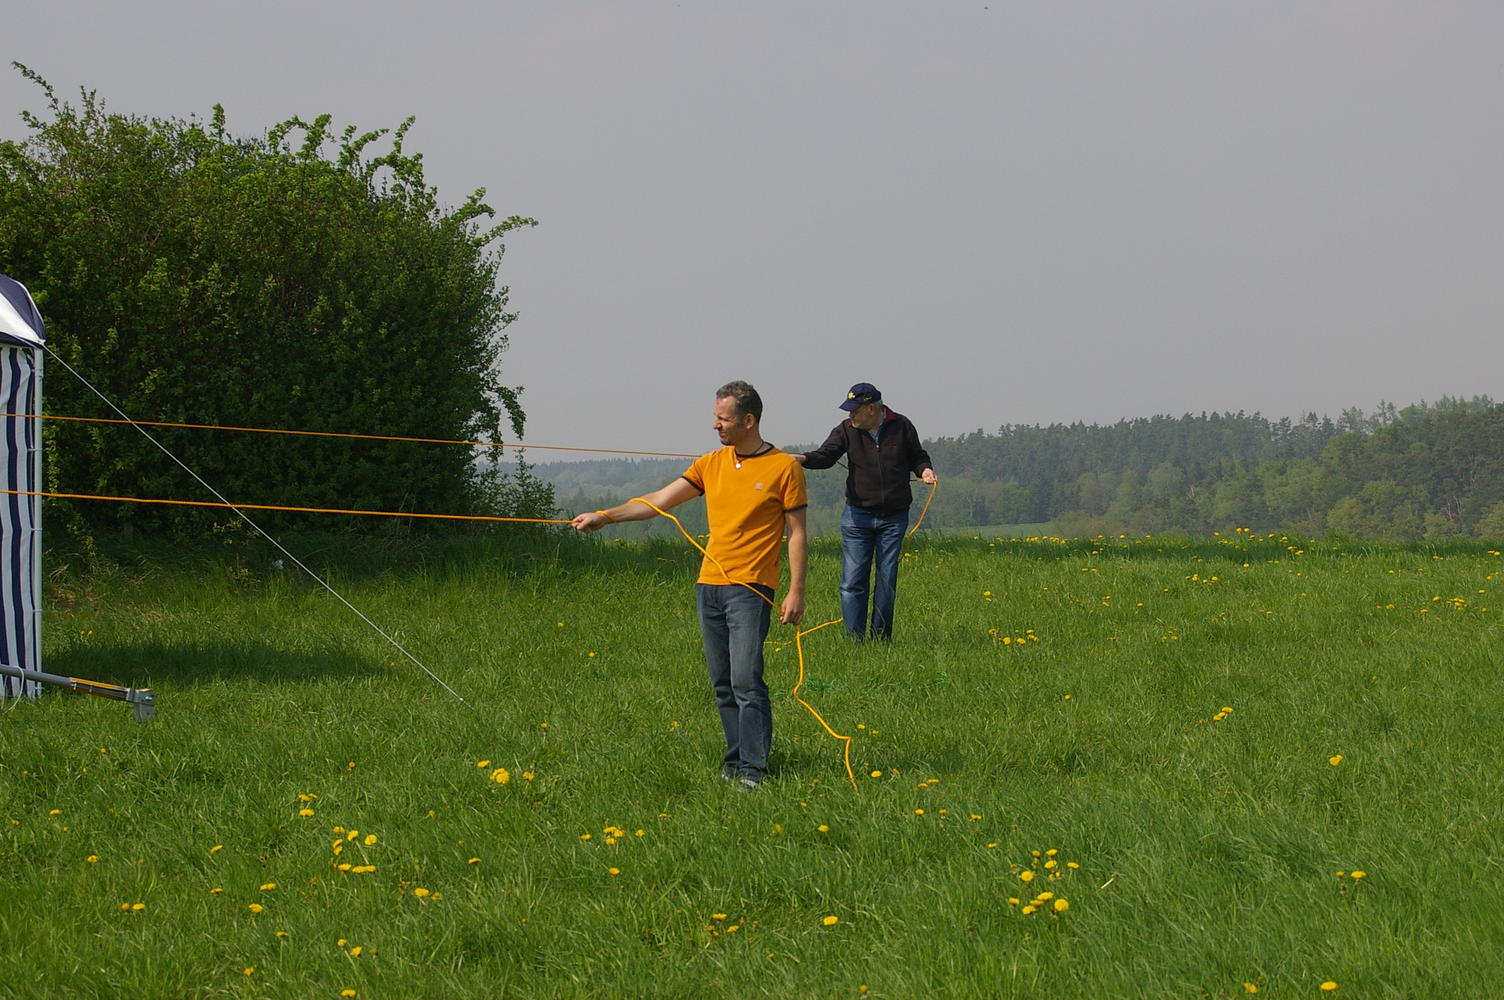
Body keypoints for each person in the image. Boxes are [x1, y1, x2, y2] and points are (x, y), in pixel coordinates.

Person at [571, 381, 807, 789]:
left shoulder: (784, 468)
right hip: (708, 586)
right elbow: (660, 500)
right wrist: (605, 516)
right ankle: (734, 762)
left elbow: (797, 533)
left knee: (746, 681)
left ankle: (753, 769)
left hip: (751, 588)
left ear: (748, 421)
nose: (715, 425)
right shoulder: (710, 464)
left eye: (723, 418)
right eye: (715, 417)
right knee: (723, 684)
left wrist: (796, 590)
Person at [796, 382, 935, 641]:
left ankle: (881, 639)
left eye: (854, 410)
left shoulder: (902, 425)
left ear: (871, 409)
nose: (850, 415)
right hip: (856, 517)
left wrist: (924, 470)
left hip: (894, 518)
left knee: (886, 581)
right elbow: (826, 456)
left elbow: (918, 456)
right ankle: (854, 641)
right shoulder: (846, 430)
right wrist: (802, 459)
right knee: (852, 582)